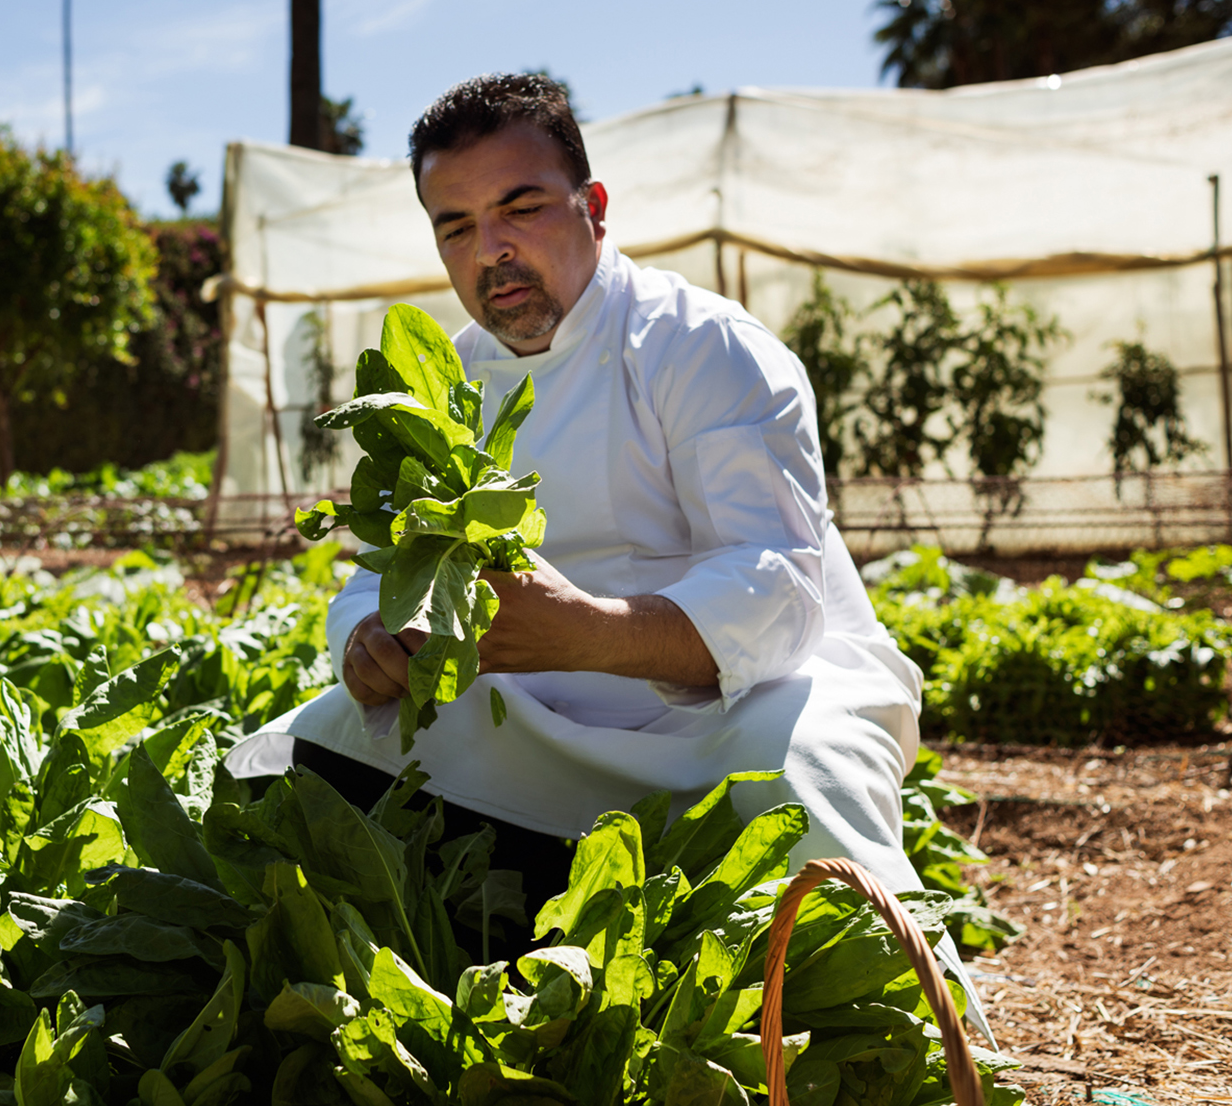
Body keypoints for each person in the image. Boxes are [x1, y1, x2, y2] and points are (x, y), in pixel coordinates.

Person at [227, 73, 981, 1024]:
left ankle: (907, 1035)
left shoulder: (702, 345)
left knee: (804, 770)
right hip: (533, 699)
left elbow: (780, 589)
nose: (491, 250)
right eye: (455, 227)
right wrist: (367, 642)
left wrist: (589, 632)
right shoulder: (445, 382)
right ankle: (478, 965)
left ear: (594, 207)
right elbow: (384, 569)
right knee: (320, 747)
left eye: (521, 208)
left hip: (740, 700)